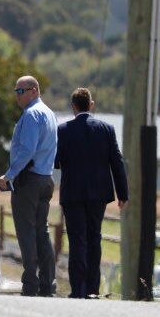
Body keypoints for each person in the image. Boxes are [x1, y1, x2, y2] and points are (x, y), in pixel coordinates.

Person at [55, 87, 129, 299]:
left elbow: (55, 161)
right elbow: (117, 161)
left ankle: (77, 287)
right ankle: (92, 288)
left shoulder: (63, 130)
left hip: (73, 193)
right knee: (94, 237)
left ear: (73, 107)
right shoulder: (107, 129)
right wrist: (123, 193)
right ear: (92, 105)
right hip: (98, 192)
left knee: (77, 239)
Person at [0, 75, 58, 297]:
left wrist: (9, 175)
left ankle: (30, 283)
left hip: (29, 179)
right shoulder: (50, 114)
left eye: (21, 91)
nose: (17, 96)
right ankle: (47, 283)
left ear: (34, 91)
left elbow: (27, 150)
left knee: (26, 232)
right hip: (46, 179)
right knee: (42, 232)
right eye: (16, 91)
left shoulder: (31, 115)